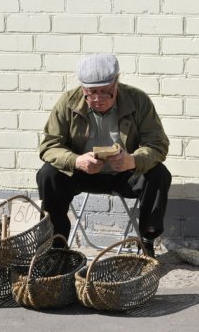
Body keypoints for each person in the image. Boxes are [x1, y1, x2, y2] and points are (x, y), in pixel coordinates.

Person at [36, 53, 171, 257]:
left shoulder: (138, 100)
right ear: (83, 89)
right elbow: (49, 146)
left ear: (116, 82)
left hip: (124, 173)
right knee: (48, 174)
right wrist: (76, 161)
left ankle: (147, 242)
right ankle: (57, 245)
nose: (98, 99)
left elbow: (158, 144)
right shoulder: (68, 102)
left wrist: (132, 160)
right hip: (83, 173)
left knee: (159, 174)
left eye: (105, 92)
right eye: (91, 93)